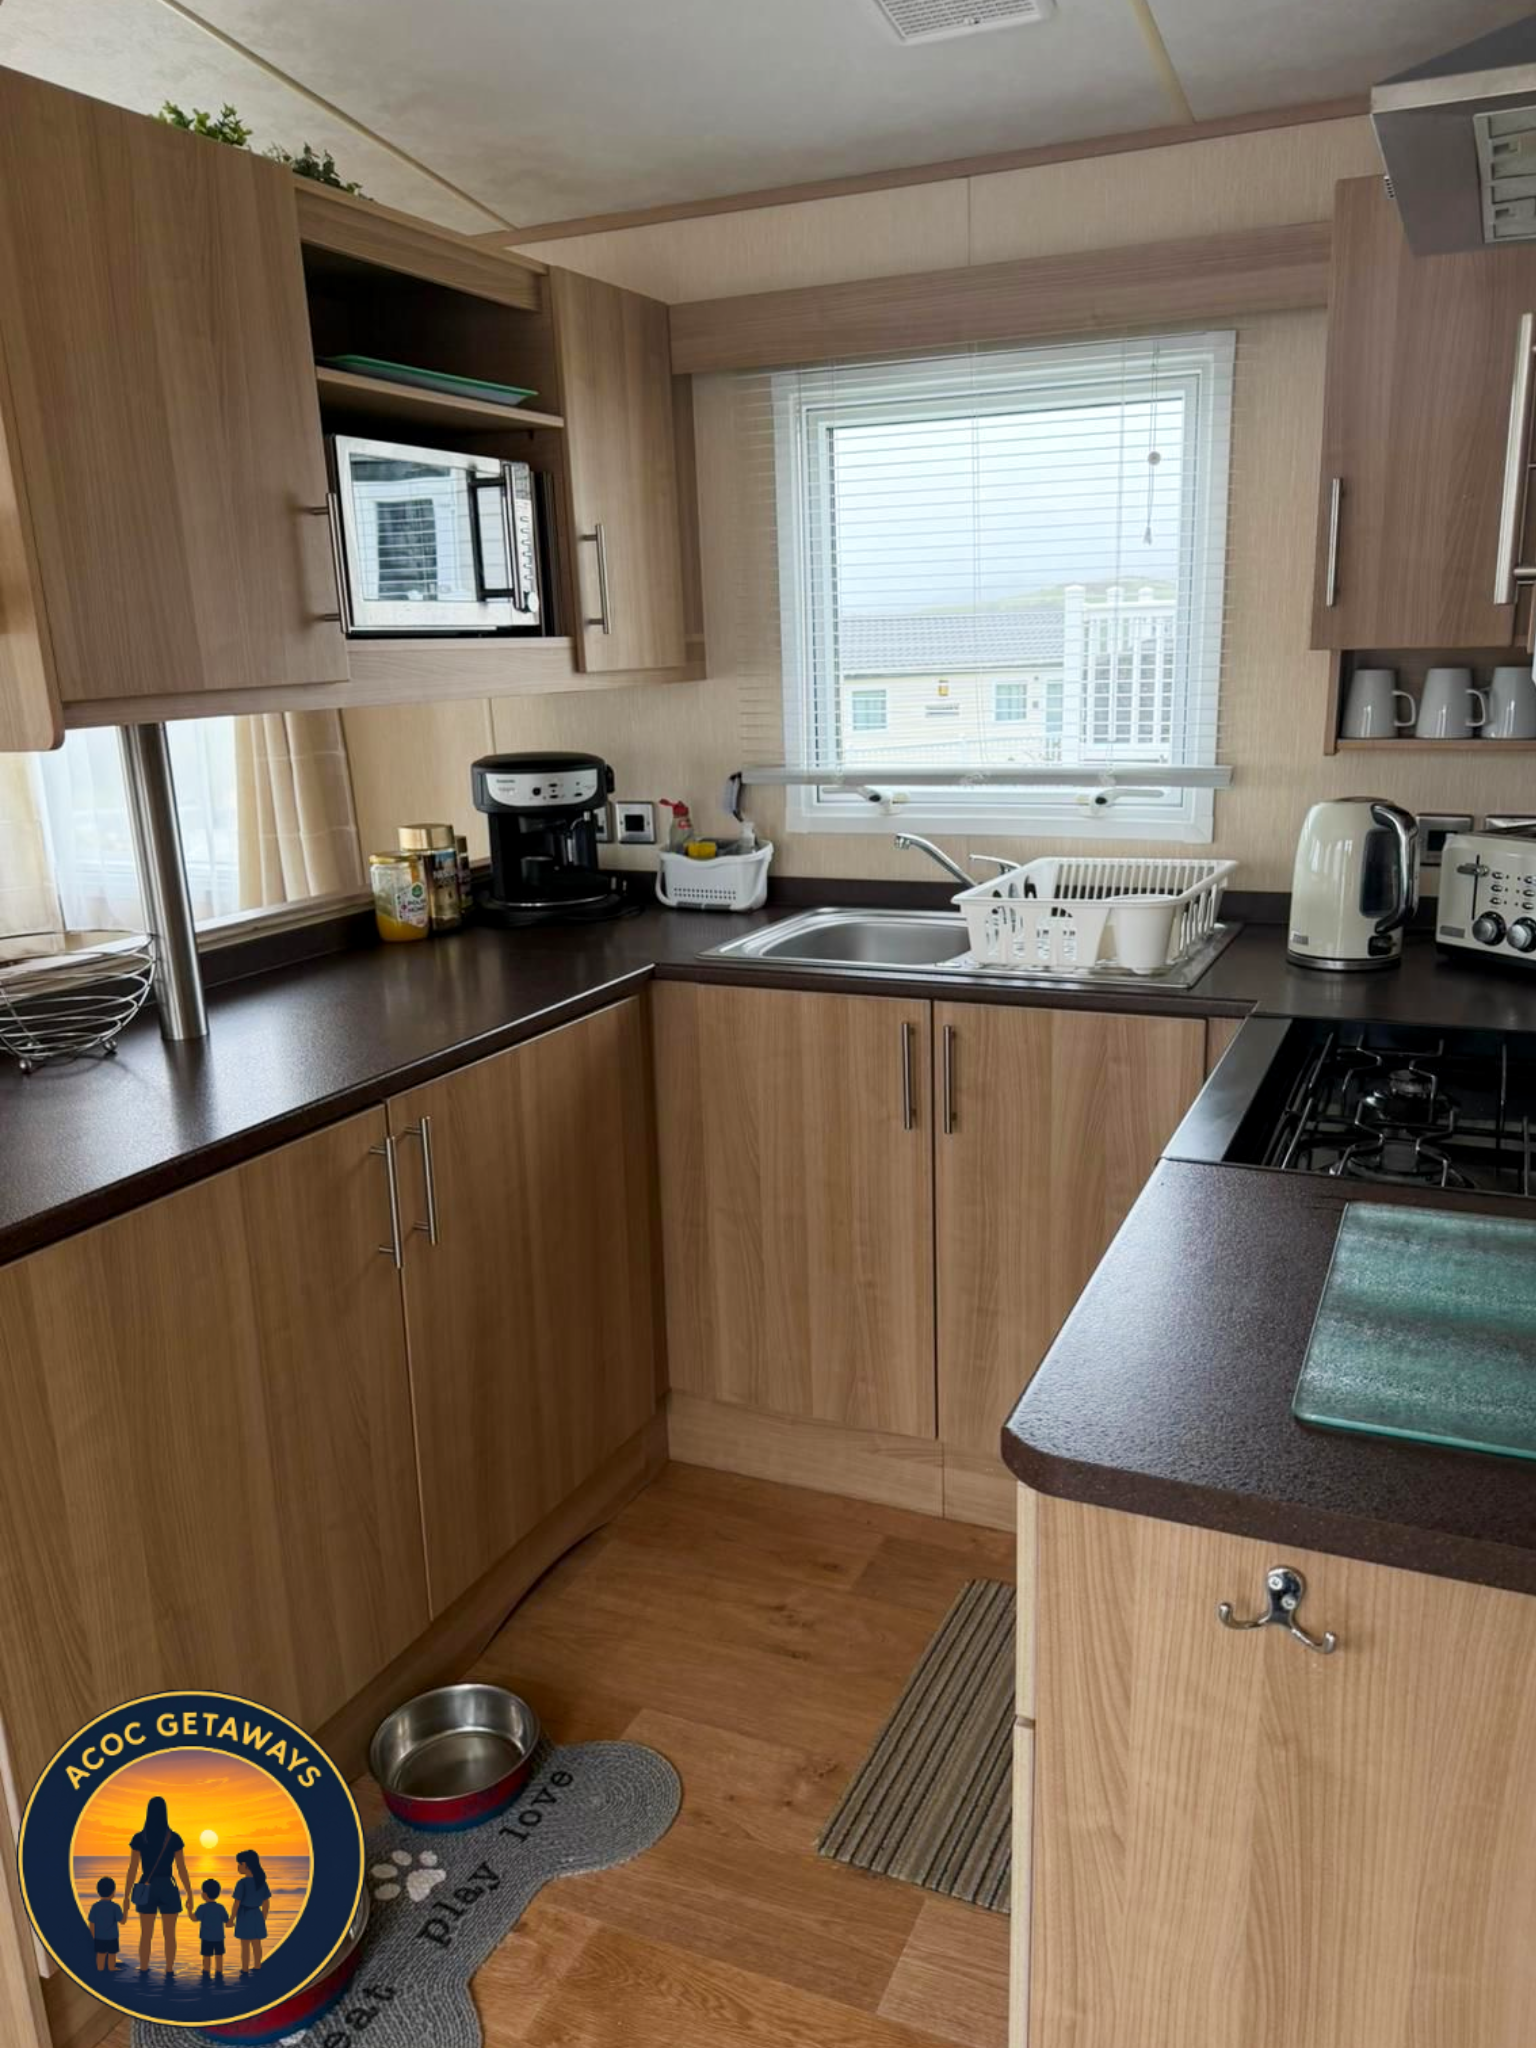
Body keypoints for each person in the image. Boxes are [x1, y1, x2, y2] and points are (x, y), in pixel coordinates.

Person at [121, 1796, 194, 1980]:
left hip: (147, 1886)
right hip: (168, 1887)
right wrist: (189, 1893)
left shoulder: (140, 1838)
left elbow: (132, 1868)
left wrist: (126, 1895)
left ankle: (144, 1969)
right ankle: (169, 1971)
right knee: (170, 1935)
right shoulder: (174, 1838)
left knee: (146, 1934)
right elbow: (181, 1868)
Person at [232, 1851, 270, 1977]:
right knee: (256, 1943)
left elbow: (236, 1903)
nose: (238, 1867)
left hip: (245, 1914)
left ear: (245, 1864)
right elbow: (266, 1903)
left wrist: (232, 1918)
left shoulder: (242, 1883)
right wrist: (263, 1917)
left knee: (245, 1945)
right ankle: (257, 1966)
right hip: (257, 1914)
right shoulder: (261, 1882)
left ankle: (245, 1969)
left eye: (239, 1864)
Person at [193, 1878, 229, 1985]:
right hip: (219, 1937)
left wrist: (189, 1910)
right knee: (219, 1956)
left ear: (204, 1894)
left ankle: (206, 1973)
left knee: (207, 1956)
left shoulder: (202, 1908)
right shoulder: (220, 1907)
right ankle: (219, 1973)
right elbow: (227, 1920)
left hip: (206, 1938)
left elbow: (195, 1919)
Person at [87, 1877, 123, 1974]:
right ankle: (111, 1968)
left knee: (100, 1954)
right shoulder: (115, 1907)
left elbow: (92, 1923)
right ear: (113, 1892)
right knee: (112, 1954)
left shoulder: (95, 1907)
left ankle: (100, 1969)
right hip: (112, 1937)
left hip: (99, 1937)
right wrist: (126, 1911)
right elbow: (122, 1921)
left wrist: (92, 1936)